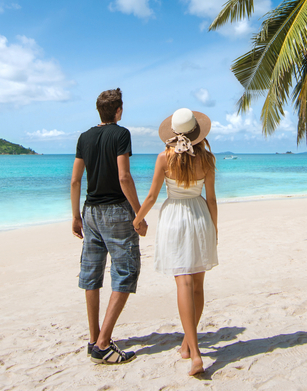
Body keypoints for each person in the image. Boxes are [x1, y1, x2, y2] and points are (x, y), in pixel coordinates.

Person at [133, 108, 218, 376]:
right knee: (198, 285)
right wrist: (214, 229)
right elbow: (212, 199)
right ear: (196, 133)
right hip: (199, 216)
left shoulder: (164, 158)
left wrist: (138, 219)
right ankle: (187, 345)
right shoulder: (207, 159)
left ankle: (195, 353)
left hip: (174, 218)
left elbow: (150, 197)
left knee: (183, 282)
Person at [70, 88, 148, 364]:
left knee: (91, 274)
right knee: (126, 271)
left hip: (89, 211)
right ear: (118, 111)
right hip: (115, 210)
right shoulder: (121, 134)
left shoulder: (84, 137)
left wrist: (75, 216)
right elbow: (124, 176)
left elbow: (76, 181)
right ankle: (103, 344)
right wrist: (139, 214)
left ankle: (93, 339)